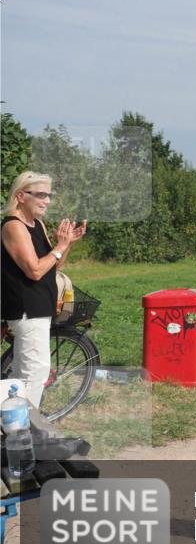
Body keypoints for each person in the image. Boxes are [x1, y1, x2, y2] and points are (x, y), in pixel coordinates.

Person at [1, 172, 86, 407]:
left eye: (49, 195)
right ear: (20, 196)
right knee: (34, 373)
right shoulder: (13, 226)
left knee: (24, 373)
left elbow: (53, 265)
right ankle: (25, 431)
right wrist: (59, 246)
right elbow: (35, 271)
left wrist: (65, 244)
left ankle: (15, 428)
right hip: (27, 310)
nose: (47, 201)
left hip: (40, 308)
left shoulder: (35, 224)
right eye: (40, 194)